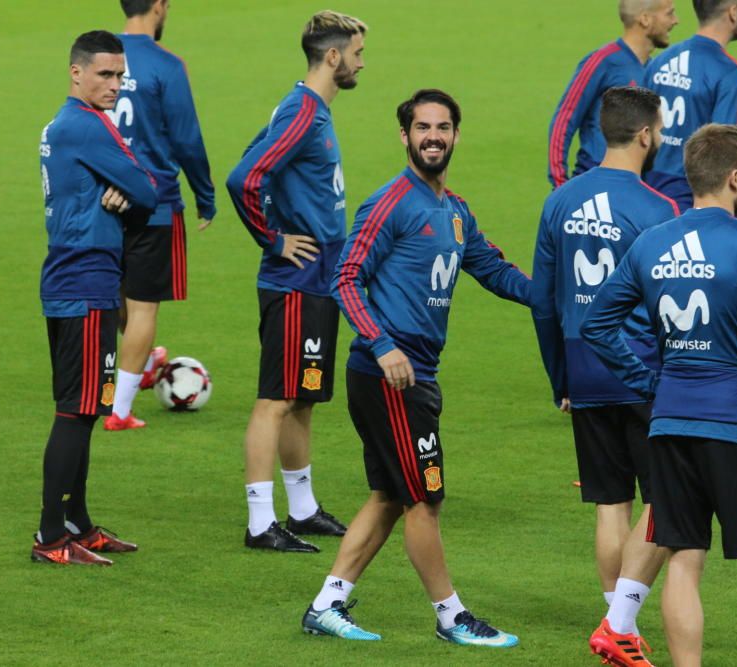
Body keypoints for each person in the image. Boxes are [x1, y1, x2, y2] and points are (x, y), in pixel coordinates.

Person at [301, 89, 530, 646]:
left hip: (415, 375)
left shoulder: (454, 212)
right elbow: (344, 277)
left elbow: (495, 271)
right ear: (404, 136)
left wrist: (555, 297)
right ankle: (451, 617)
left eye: (443, 127)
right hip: (389, 377)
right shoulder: (391, 202)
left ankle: (326, 605)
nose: (433, 136)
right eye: (422, 127)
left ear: (455, 135)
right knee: (424, 499)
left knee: (389, 496)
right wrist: (381, 344)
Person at [581, 124, 737, 667]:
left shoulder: (652, 242)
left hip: (670, 423)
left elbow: (597, 326)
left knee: (684, 556)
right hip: (736, 421)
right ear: (734, 178)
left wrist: (651, 385)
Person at [533, 86, 678, 666]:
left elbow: (544, 301)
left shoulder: (559, 201)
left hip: (582, 366)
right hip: (641, 366)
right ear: (645, 135)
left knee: (610, 502)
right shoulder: (658, 208)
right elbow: (670, 304)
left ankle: (615, 622)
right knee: (667, 497)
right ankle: (621, 623)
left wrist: (559, 376)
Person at [225, 11, 367, 552]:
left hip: (320, 277)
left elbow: (252, 158)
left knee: (302, 398)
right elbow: (245, 177)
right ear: (332, 57)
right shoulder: (303, 110)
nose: (360, 62)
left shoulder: (307, 109)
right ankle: (261, 523)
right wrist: (274, 239)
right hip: (295, 278)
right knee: (275, 400)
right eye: (355, 53)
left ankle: (302, 509)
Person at [33, 30, 157, 564]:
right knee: (74, 412)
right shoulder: (86, 127)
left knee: (82, 410)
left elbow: (136, 195)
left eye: (120, 76)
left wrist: (124, 196)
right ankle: (50, 537)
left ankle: (77, 523)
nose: (115, 85)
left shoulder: (67, 125)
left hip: (75, 277)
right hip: (84, 281)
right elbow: (149, 192)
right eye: (105, 75)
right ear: (76, 72)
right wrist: (130, 196)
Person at [102, 0, 218, 431]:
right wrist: (205, 196)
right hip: (152, 204)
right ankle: (119, 411)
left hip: (102, 201)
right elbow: (186, 138)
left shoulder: (97, 57)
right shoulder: (167, 65)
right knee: (143, 308)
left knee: (113, 289)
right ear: (159, 6)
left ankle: (146, 362)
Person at [547, 0, 679, 189]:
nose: (675, 21)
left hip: (634, 187)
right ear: (645, 19)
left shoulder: (657, 71)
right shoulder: (603, 62)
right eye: (669, 13)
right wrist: (559, 183)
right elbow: (565, 119)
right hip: (593, 181)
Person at [643, 0, 737, 211]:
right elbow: (724, 149)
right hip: (688, 200)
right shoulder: (730, 72)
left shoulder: (659, 61)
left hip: (645, 195)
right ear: (733, 12)